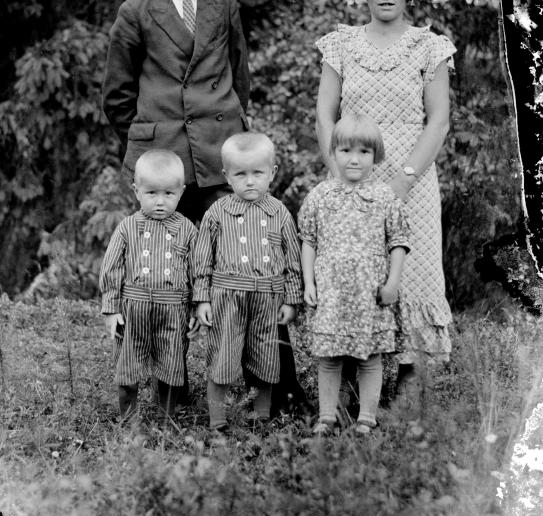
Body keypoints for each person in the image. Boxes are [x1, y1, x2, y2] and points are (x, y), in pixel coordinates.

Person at [315, 0, 455, 396]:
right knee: (354, 270)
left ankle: (409, 382)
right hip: (353, 175)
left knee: (413, 272)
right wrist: (340, 174)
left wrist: (403, 181)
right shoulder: (340, 45)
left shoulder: (430, 47)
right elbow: (324, 115)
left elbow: (438, 121)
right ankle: (352, 375)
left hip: (412, 179)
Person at [102, 0, 250, 224]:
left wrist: (227, 129)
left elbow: (240, 79)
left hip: (220, 158)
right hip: (161, 168)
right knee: (163, 254)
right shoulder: (135, 12)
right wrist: (150, 139)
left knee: (229, 249)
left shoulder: (224, 4)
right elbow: (116, 98)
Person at [299, 115, 409, 435]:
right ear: (334, 152)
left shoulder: (385, 197)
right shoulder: (321, 195)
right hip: (331, 292)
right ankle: (327, 417)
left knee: (369, 358)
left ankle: (366, 418)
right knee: (329, 358)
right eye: (346, 150)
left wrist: (392, 283)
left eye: (364, 152)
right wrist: (309, 282)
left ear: (376, 156)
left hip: (368, 294)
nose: (354, 159)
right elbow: (309, 240)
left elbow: (399, 242)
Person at [191, 132, 303, 432]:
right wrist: (202, 298)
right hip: (227, 296)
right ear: (226, 176)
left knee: (266, 358)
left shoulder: (279, 212)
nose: (250, 181)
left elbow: (292, 260)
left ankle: (261, 417)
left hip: (267, 298)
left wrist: (292, 299)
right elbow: (202, 258)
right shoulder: (218, 212)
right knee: (223, 358)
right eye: (240, 174)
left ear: (272, 173)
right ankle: (217, 422)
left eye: (258, 173)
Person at [99, 149, 196, 420]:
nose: (160, 201)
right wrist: (111, 308)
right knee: (128, 366)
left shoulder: (188, 229)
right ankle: (128, 420)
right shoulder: (127, 227)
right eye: (152, 193)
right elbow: (112, 267)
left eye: (169, 193)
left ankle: (167, 419)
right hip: (134, 309)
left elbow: (198, 271)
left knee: (171, 364)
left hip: (172, 311)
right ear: (136, 191)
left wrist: (197, 307)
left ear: (181, 192)